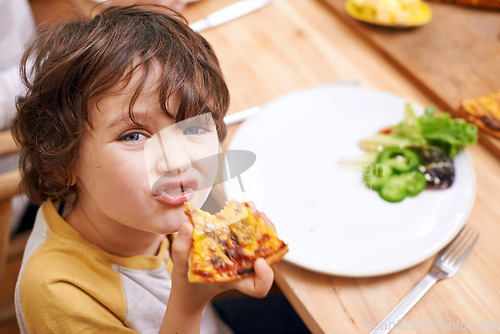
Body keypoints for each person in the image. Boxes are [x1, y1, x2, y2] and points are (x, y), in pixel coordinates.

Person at [12, 5, 277, 333]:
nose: (178, 161)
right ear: (65, 162)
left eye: (193, 127)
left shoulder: (138, 208)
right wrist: (188, 302)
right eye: (134, 135)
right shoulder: (56, 293)